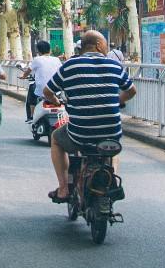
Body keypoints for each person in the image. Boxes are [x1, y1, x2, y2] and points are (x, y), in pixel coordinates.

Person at [45, 31, 136, 204]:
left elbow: (48, 92)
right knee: (112, 146)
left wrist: (57, 101)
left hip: (80, 134)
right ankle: (112, 179)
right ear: (99, 45)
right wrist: (117, 101)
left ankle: (64, 188)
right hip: (111, 132)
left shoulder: (69, 66)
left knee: (56, 139)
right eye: (106, 44)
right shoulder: (114, 65)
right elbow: (131, 91)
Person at [22, 39, 62, 122]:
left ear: (38, 51)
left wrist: (23, 76)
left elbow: (28, 71)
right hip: (56, 89)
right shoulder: (57, 59)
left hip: (42, 91)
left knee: (31, 92)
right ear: (49, 50)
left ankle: (31, 116)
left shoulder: (37, 59)